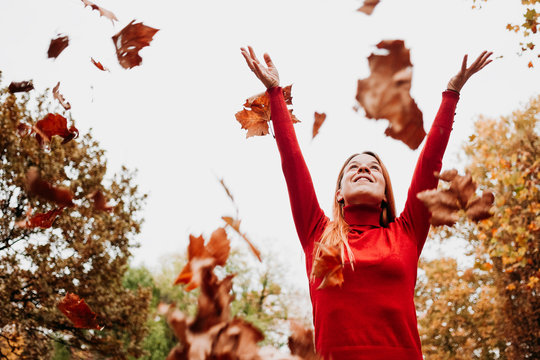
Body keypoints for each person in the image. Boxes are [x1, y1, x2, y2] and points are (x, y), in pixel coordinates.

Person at [240, 45, 492, 360]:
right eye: (353, 167)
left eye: (374, 168)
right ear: (339, 193)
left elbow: (430, 161)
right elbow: (291, 161)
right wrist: (275, 93)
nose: (363, 169)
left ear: (386, 192)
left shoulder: (407, 232)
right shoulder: (317, 232)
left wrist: (451, 93)